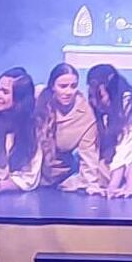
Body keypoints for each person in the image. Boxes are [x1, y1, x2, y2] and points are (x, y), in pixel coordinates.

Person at [34, 63, 105, 193]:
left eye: (73, 86)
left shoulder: (86, 115)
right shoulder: (38, 98)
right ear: (52, 86)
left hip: (55, 176)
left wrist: (91, 184)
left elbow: (89, 154)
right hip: (27, 172)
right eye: (63, 86)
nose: (68, 92)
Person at [87, 64, 132, 198]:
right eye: (92, 96)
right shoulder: (102, 111)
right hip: (114, 161)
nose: (96, 102)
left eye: (100, 96)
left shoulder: (130, 106)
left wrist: (124, 187)